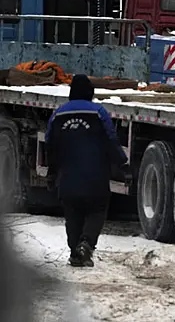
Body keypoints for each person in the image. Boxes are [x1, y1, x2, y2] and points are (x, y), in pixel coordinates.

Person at [45, 74, 129, 268]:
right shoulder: (99, 112)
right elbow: (111, 140)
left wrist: (52, 173)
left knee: (72, 213)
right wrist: (123, 166)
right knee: (97, 211)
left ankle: (75, 252)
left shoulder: (58, 114)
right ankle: (86, 244)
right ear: (90, 92)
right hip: (95, 176)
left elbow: (50, 145)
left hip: (68, 177)